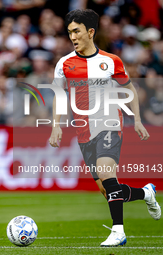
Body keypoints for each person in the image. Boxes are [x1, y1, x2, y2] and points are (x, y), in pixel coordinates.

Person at [49, 9, 161, 247]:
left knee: (106, 171)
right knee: (108, 189)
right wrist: (56, 125)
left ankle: (118, 231)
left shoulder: (111, 62)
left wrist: (138, 119)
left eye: (76, 31)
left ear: (90, 32)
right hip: (83, 131)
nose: (73, 37)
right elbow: (58, 95)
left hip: (110, 123)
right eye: (69, 32)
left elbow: (130, 89)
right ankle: (146, 193)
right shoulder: (64, 64)